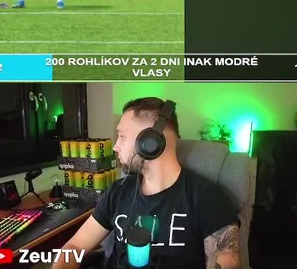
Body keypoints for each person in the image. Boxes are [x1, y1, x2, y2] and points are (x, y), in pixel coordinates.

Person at [51, 97, 241, 269]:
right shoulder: (117, 191)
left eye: (122, 136)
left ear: (150, 142)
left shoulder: (208, 199)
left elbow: (224, 260)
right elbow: (75, 246)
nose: (115, 146)